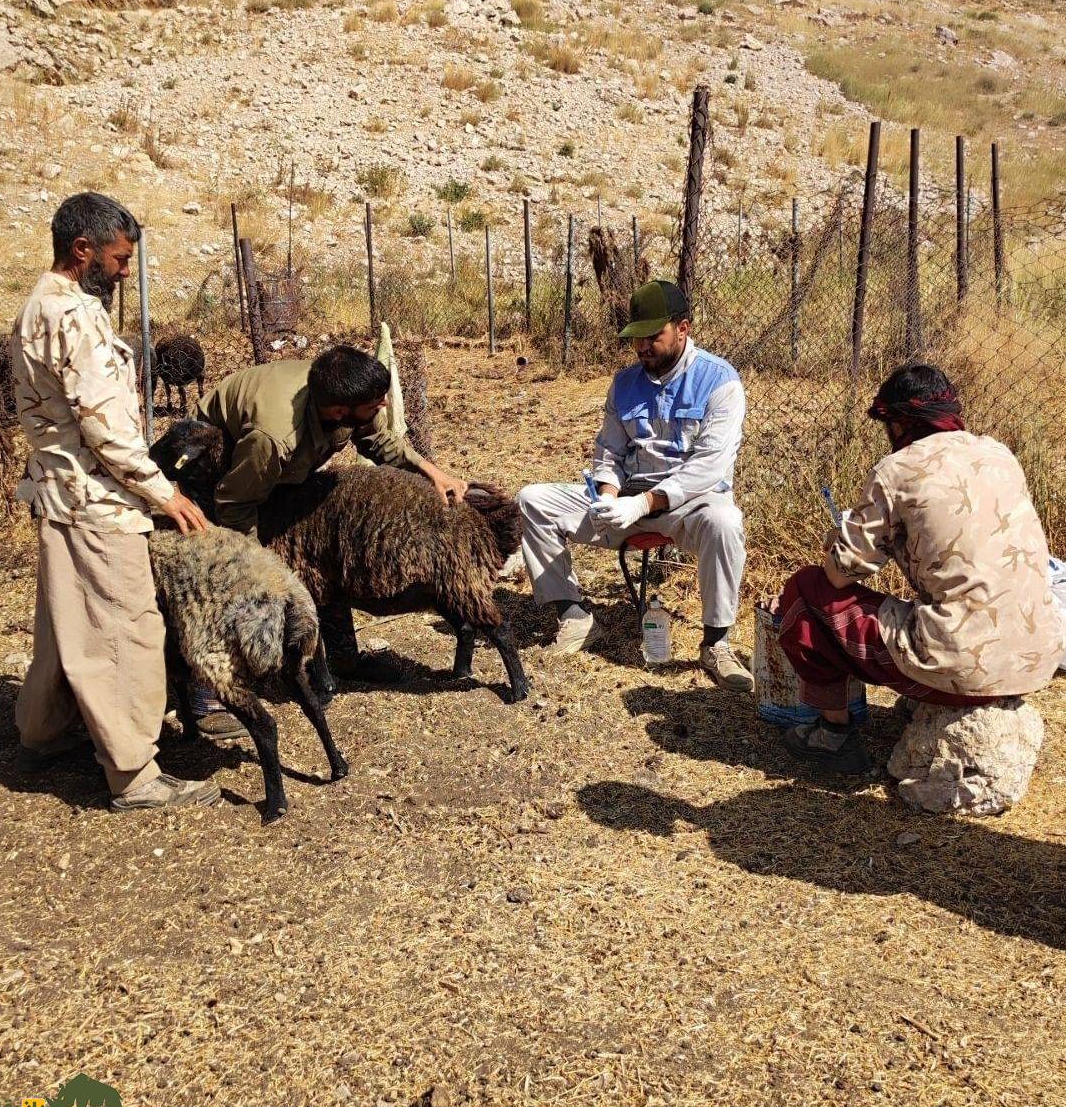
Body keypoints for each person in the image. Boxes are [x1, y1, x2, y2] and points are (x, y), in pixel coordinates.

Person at [11, 192, 216, 811]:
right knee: (125, 628)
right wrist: (164, 492)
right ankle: (133, 772)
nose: (126, 270)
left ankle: (43, 731)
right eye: (120, 258)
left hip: (59, 492)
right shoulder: (73, 317)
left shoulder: (39, 306)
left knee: (66, 618)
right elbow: (105, 428)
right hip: (99, 500)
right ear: (83, 250)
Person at [777, 363, 1064, 774]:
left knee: (805, 590)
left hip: (964, 669)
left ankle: (833, 733)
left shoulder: (895, 471)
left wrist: (839, 540)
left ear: (897, 423)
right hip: (1038, 657)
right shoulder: (999, 453)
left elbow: (841, 574)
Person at [517, 279, 753, 690]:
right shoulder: (625, 383)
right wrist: (607, 495)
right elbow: (608, 451)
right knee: (533, 500)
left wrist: (643, 504)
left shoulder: (720, 382)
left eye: (652, 337)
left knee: (726, 521)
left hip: (687, 507)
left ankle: (716, 643)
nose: (642, 348)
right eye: (636, 339)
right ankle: (574, 616)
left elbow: (709, 468)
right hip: (627, 504)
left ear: (683, 328)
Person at [195, 346, 467, 538]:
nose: (384, 404)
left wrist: (432, 472)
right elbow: (234, 505)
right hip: (212, 454)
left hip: (266, 457)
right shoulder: (273, 439)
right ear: (339, 412)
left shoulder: (345, 396)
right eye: (375, 404)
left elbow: (379, 439)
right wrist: (262, 570)